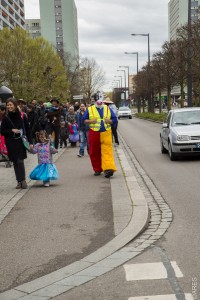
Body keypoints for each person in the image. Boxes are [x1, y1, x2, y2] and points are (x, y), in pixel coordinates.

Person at [82, 92, 117, 178]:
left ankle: (108, 169)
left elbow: (115, 119)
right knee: (94, 152)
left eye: (101, 100)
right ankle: (97, 169)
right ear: (94, 101)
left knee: (107, 151)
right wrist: (91, 121)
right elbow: (84, 120)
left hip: (106, 132)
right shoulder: (90, 109)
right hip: (94, 133)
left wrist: (110, 121)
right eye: (97, 100)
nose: (99, 102)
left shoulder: (107, 108)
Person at [1, 98, 33, 189]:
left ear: (15, 105)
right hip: (10, 142)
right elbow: (2, 131)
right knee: (15, 161)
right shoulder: (5, 117)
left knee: (20, 161)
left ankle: (23, 180)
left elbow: (28, 129)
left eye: (11, 104)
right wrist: (11, 130)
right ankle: (18, 181)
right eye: (8, 105)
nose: (9, 106)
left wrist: (31, 142)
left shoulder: (22, 115)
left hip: (20, 141)